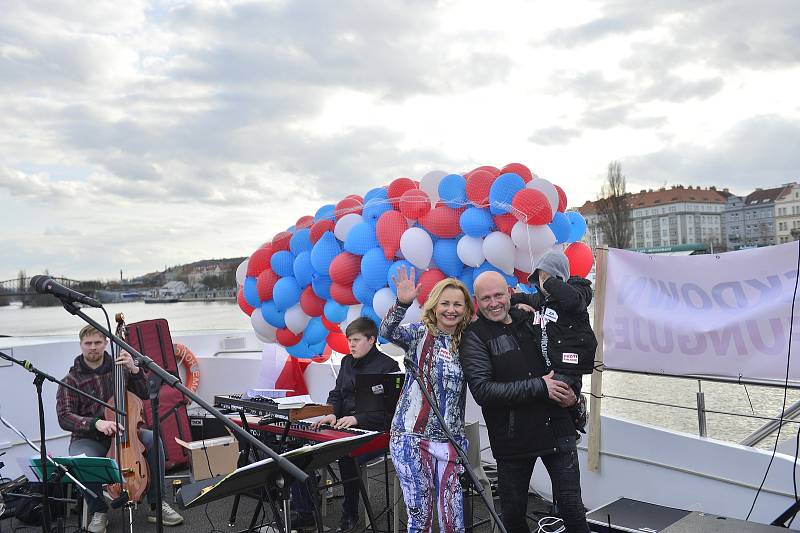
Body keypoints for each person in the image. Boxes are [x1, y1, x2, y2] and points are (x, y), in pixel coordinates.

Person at [461, 271, 589, 533]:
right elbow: (483, 391)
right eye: (486, 298)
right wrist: (540, 386)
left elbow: (566, 357)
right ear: (476, 300)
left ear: (509, 293)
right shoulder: (474, 336)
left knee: (573, 511)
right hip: (513, 440)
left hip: (557, 429)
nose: (494, 303)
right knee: (514, 516)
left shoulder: (532, 319)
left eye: (498, 295)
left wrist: (573, 394)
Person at [56, 325, 184, 533]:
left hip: (126, 431)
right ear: (81, 345)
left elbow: (144, 393)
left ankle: (157, 504)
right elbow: (64, 417)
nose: (93, 347)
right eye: (88, 343)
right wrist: (95, 423)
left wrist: (134, 370)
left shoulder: (120, 368)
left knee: (152, 440)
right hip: (91, 437)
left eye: (98, 342)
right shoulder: (70, 380)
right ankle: (99, 511)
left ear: (106, 344)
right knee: (82, 457)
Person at [380, 267, 475, 533]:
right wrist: (402, 302)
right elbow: (386, 332)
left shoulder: (469, 342)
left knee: (454, 521)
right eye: (445, 303)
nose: (451, 310)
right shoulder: (419, 334)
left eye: (458, 304)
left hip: (451, 440)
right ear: (434, 306)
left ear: (466, 309)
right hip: (411, 438)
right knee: (421, 518)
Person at [294, 317, 400, 533]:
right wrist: (331, 412)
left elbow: (390, 410)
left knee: (345, 455)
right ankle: (306, 514)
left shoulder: (389, 366)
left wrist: (358, 419)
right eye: (349, 340)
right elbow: (337, 394)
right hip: (343, 426)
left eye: (356, 340)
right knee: (298, 450)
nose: (351, 345)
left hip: (375, 431)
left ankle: (350, 514)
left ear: (371, 340)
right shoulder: (346, 362)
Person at [514, 250, 597, 432]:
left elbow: (572, 301)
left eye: (547, 278)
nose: (543, 284)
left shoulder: (579, 292)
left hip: (570, 362)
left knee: (557, 392)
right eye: (541, 279)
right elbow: (525, 298)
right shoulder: (543, 300)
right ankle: (566, 427)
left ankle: (576, 416)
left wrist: (551, 281)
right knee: (545, 392)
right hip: (551, 362)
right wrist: (510, 301)